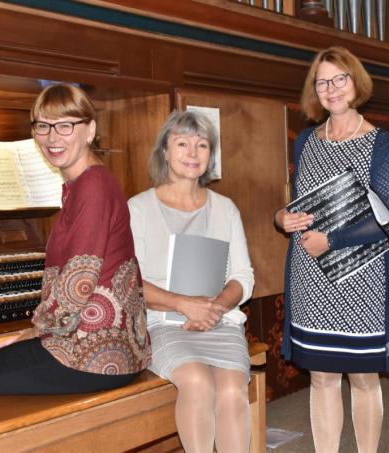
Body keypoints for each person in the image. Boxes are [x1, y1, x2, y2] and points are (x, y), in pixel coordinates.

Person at [0, 84, 151, 406]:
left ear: (90, 130)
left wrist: (36, 331)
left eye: (65, 125)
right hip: (105, 344)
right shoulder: (83, 184)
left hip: (93, 352)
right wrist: (38, 330)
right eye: (43, 125)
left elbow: (79, 281)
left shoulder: (93, 186)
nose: (53, 137)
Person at [273, 46, 389, 453]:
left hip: (360, 278)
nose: (331, 89)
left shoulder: (379, 142)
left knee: (363, 378)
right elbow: (300, 204)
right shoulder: (305, 142)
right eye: (322, 82)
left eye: (340, 79)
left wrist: (333, 241)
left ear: (356, 83)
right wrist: (282, 217)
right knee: (321, 377)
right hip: (310, 277)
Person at [128, 110, 255, 453]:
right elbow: (131, 282)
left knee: (232, 390)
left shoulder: (225, 208)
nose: (193, 152)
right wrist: (185, 305)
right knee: (198, 382)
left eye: (202, 145)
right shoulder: (138, 208)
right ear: (164, 151)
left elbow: (242, 276)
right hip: (161, 323)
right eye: (182, 143)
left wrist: (215, 308)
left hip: (219, 322)